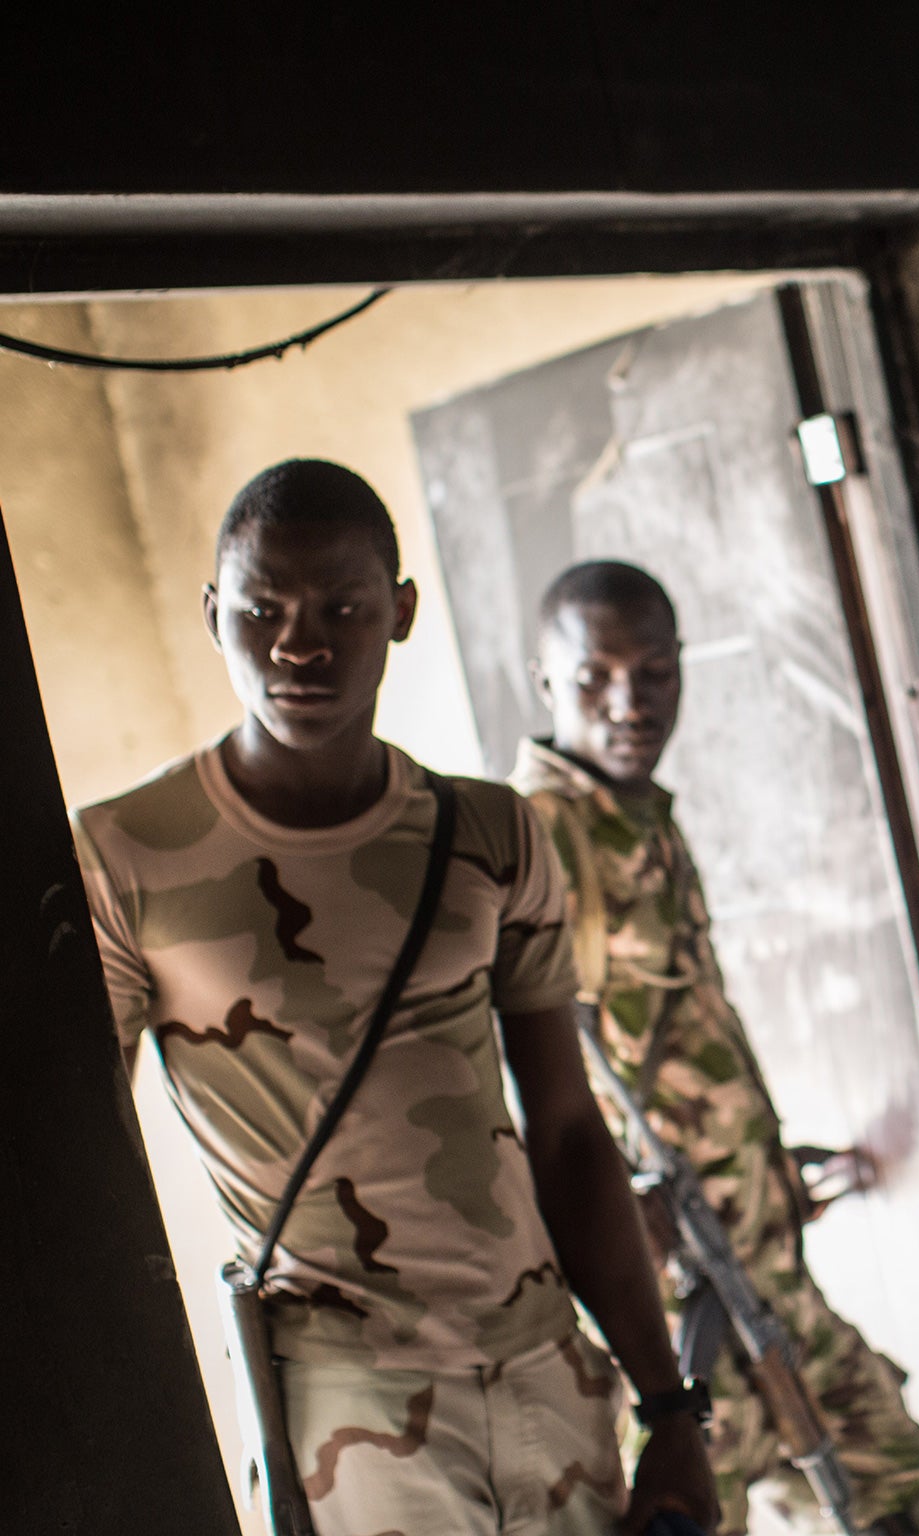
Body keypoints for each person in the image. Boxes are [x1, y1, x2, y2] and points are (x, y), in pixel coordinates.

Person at [72, 461, 721, 1536]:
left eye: (341, 607)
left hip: (542, 1370)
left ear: (402, 611)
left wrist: (670, 1408)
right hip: (349, 1410)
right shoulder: (127, 858)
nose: (298, 645)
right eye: (260, 609)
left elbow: (567, 1134)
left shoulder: (492, 833)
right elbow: (85, 1181)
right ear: (210, 614)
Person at [510, 560, 919, 1536]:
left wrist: (763, 1160)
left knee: (917, 1506)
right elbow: (529, 1082)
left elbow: (666, 1037)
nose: (628, 704)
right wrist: (626, 1201)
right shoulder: (538, 841)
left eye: (654, 674)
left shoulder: (634, 813)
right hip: (672, 1317)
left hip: (756, 1266)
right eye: (594, 678)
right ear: (543, 681)